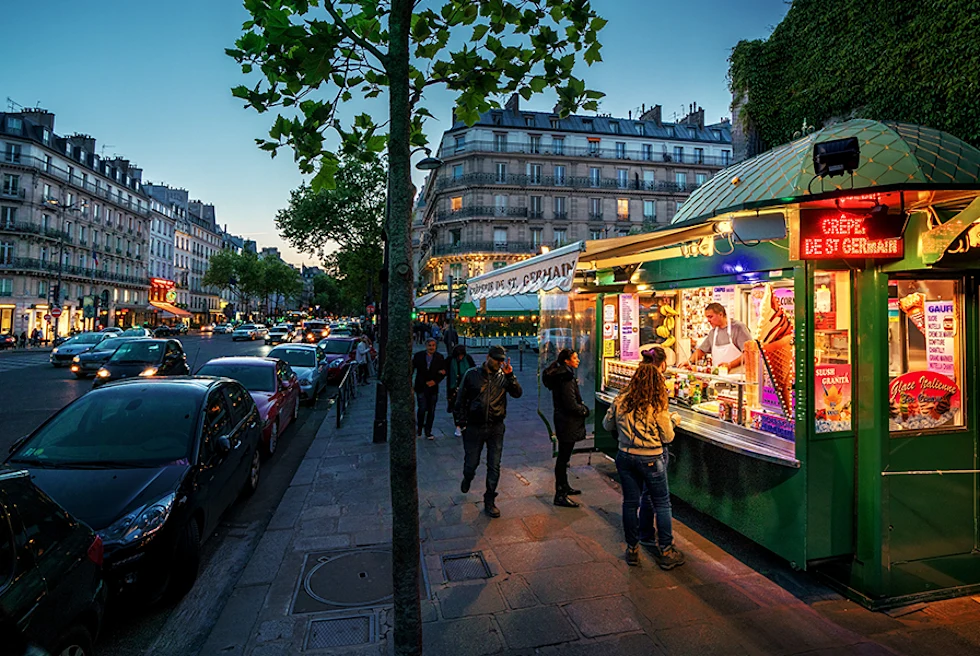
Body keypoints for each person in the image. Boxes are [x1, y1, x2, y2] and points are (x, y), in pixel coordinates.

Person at [603, 346, 685, 569]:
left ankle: (632, 549)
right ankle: (666, 551)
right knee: (662, 504)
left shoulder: (621, 400)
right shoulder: (657, 404)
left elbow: (606, 424)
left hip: (625, 457)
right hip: (651, 458)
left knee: (630, 503)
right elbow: (667, 436)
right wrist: (674, 420)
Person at [454, 345, 522, 518]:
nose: (500, 363)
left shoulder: (504, 376)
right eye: (496, 359)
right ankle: (467, 477)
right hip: (474, 427)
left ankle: (490, 499)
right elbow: (460, 399)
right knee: (472, 462)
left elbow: (517, 393)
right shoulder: (472, 374)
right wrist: (461, 422)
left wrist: (511, 376)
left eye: (502, 359)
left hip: (496, 427)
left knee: (494, 464)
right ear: (488, 357)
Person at [542, 349, 591, 508]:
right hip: (567, 421)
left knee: (564, 457)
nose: (578, 360)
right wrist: (583, 410)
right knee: (563, 458)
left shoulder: (561, 374)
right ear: (566, 361)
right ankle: (560, 494)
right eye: (575, 358)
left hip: (563, 419)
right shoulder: (566, 378)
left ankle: (564, 486)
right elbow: (570, 403)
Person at [686, 302, 752, 371]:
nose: (708, 320)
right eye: (707, 317)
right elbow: (701, 351)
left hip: (737, 377)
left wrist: (730, 365)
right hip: (719, 378)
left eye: (710, 317)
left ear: (721, 314)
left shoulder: (738, 328)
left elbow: (748, 353)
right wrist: (689, 362)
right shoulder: (713, 333)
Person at [412, 338, 447, 439]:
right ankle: (419, 429)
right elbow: (412, 368)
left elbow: (444, 371)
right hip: (421, 385)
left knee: (431, 410)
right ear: (426, 346)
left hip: (433, 387)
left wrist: (436, 381)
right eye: (430, 345)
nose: (431, 347)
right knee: (422, 408)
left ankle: (428, 431)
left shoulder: (439, 357)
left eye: (433, 345)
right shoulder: (418, 356)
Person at [446, 344, 476, 437]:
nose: (460, 357)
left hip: (467, 387)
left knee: (467, 405)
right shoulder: (450, 360)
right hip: (454, 387)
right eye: (459, 355)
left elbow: (473, 370)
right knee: (456, 407)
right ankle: (458, 425)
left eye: (462, 355)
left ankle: (465, 423)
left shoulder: (468, 359)